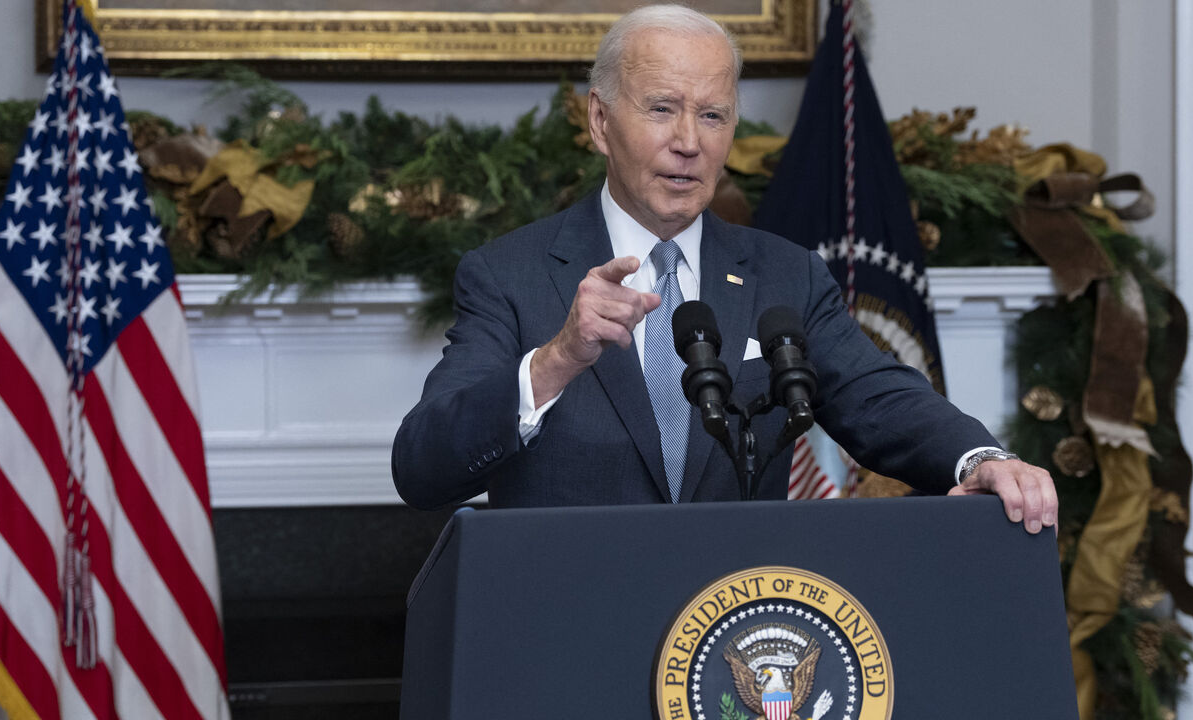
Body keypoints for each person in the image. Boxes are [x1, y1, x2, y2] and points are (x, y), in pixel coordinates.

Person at [392, 4, 1057, 534]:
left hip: (730, 642)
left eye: (712, 115)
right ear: (600, 121)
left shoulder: (783, 274)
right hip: (571, 628)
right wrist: (558, 360)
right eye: (662, 108)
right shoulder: (510, 273)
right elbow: (423, 470)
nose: (688, 142)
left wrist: (985, 460)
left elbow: (879, 395)